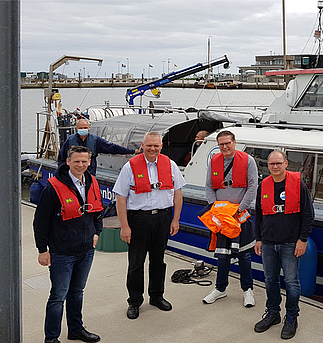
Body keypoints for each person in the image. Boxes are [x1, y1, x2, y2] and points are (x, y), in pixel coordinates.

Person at [113, 131, 186, 320]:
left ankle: (157, 296)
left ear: (161, 146)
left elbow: (178, 194)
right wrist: (124, 226)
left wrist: (175, 219)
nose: (152, 149)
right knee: (136, 264)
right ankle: (134, 301)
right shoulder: (130, 166)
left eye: (156, 145)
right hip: (138, 219)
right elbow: (121, 198)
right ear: (143, 146)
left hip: (162, 218)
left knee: (158, 261)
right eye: (149, 145)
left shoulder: (170, 165)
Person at [34, 146, 103, 343]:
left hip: (86, 250)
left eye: (84, 161)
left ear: (89, 162)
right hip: (61, 252)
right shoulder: (53, 188)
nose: (81, 165)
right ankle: (51, 338)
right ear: (68, 162)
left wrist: (97, 232)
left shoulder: (92, 182)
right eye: (76, 162)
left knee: (77, 292)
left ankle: (75, 329)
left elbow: (98, 211)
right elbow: (41, 222)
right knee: (58, 297)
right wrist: (42, 250)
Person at [253, 150, 314, 339]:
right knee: (270, 280)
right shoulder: (263, 185)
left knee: (291, 282)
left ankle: (291, 317)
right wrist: (258, 239)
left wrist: (302, 239)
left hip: (290, 242)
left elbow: (307, 215)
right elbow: (259, 215)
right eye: (271, 164)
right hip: (269, 243)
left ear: (286, 164)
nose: (275, 167)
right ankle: (273, 313)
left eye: (278, 163)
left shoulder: (298, 185)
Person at [203, 130, 258, 307]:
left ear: (235, 142)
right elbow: (209, 187)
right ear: (218, 146)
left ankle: (247, 290)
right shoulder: (214, 162)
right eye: (221, 144)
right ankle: (220, 289)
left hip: (240, 217)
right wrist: (215, 209)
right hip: (221, 218)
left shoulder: (248, 161)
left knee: (244, 256)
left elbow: (252, 187)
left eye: (228, 143)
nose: (225, 147)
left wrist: (239, 210)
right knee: (222, 255)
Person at [58, 118, 139, 176]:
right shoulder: (70, 141)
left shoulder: (95, 140)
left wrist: (131, 151)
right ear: (77, 129)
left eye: (85, 128)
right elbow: (61, 158)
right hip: (72, 174)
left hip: (90, 174)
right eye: (81, 128)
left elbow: (112, 148)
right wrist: (62, 173)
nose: (83, 129)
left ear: (89, 129)